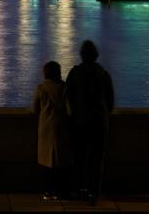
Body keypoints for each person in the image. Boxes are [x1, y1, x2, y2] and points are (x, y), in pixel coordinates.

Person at [65, 40, 114, 205]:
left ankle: (80, 189)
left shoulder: (74, 73)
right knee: (96, 158)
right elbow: (110, 101)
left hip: (79, 121)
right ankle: (94, 191)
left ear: (81, 55)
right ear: (96, 56)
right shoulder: (104, 74)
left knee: (79, 157)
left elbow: (68, 96)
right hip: (99, 121)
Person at [32, 61, 71, 200]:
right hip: (61, 127)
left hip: (45, 128)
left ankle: (47, 191)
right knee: (60, 160)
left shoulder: (41, 89)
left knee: (45, 161)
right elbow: (70, 110)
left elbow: (34, 110)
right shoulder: (64, 88)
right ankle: (59, 191)